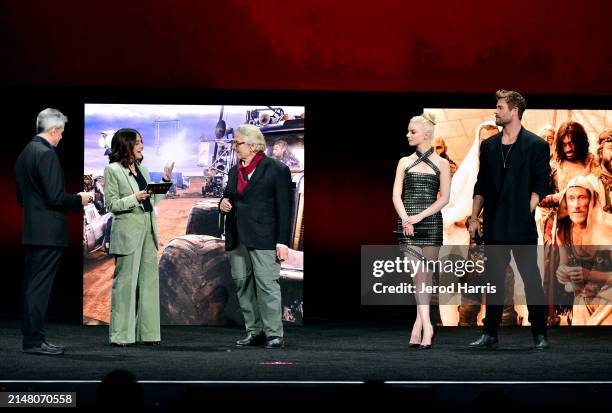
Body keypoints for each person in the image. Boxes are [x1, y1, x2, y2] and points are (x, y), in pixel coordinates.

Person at [468, 90, 551, 350]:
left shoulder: (536, 145)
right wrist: (474, 218)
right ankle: (490, 333)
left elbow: (540, 185)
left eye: (500, 107)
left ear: (514, 111)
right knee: (493, 281)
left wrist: (525, 211)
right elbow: (481, 186)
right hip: (494, 224)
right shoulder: (489, 146)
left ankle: (539, 334)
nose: (496, 111)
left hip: (521, 225)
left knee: (531, 280)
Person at [15, 108, 91, 355]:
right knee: (38, 289)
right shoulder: (46, 154)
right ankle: (34, 342)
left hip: (33, 231)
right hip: (48, 233)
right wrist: (79, 199)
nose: (61, 138)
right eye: (61, 133)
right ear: (54, 130)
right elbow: (55, 197)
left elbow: (21, 198)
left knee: (32, 287)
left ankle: (32, 339)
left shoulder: (25, 153)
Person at [219, 124, 293, 349]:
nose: (234, 147)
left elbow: (284, 209)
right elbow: (229, 199)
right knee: (242, 285)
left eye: (238, 143)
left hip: (264, 237)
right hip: (237, 237)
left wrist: (282, 242)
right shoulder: (233, 171)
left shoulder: (276, 169)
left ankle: (274, 334)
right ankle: (254, 331)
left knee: (267, 285)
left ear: (252, 146)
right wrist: (221, 204)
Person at [104, 128, 174, 346]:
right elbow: (111, 204)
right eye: (138, 143)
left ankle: (148, 334)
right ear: (126, 146)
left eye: (141, 142)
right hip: (128, 232)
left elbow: (151, 203)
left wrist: (164, 180)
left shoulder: (142, 168)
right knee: (125, 284)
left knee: (148, 284)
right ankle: (121, 336)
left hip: (147, 229)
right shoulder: (112, 170)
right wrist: (134, 198)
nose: (142, 146)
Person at [392, 112, 451, 349]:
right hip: (408, 226)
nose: (408, 135)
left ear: (426, 134)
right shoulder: (404, 162)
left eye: (412, 131)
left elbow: (444, 198)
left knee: (426, 279)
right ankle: (429, 326)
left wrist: (420, 216)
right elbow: (396, 194)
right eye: (408, 131)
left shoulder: (443, 164)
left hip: (430, 224)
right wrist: (407, 218)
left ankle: (418, 325)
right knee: (418, 276)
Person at [554, 176, 612, 325]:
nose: (576, 205)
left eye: (582, 198)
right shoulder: (563, 229)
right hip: (583, 298)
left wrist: (590, 275)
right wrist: (562, 273)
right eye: (571, 198)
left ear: (591, 200)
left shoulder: (609, 226)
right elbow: (563, 264)